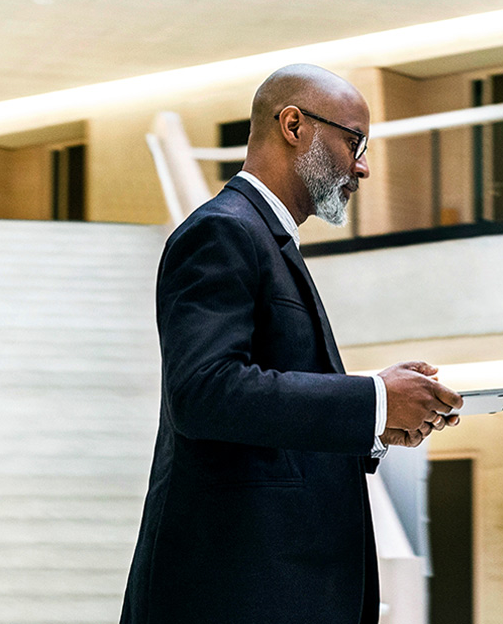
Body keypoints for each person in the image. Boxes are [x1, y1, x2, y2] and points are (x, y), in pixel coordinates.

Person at [119, 64, 468, 624]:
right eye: (354, 140)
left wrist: (378, 420)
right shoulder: (223, 231)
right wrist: (372, 399)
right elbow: (205, 393)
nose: (363, 166)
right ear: (293, 125)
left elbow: (263, 422)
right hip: (232, 594)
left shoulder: (266, 237)